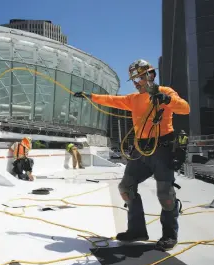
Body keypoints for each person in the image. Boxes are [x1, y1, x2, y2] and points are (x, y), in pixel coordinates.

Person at [74, 59, 190, 251]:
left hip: (162, 149)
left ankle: (169, 235)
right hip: (140, 150)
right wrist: (90, 96)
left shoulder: (166, 92)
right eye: (134, 79)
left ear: (150, 75)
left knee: (165, 194)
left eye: (138, 78)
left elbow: (185, 108)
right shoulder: (133, 99)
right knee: (126, 187)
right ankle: (137, 231)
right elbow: (112, 100)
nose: (135, 82)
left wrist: (167, 100)